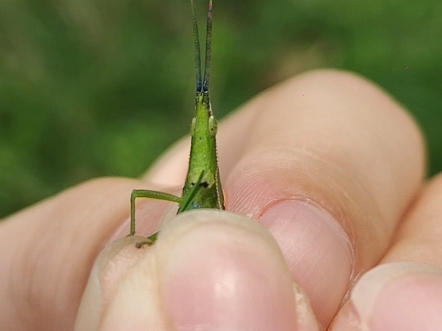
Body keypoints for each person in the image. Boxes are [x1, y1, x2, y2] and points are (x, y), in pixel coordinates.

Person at [1, 69, 441, 331]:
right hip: (190, 211)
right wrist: (136, 237)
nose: (205, 124)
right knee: (141, 193)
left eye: (207, 122)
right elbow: (179, 191)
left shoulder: (216, 141)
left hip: (213, 207)